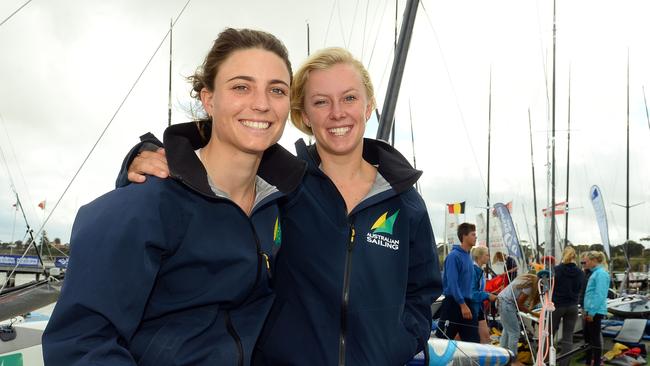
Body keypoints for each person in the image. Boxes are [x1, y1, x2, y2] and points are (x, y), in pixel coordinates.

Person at [121, 47, 441, 365]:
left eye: (349, 98)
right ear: (302, 115)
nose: (337, 112)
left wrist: (400, 342)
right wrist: (145, 154)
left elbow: (422, 291)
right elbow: (210, 166)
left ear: (369, 106)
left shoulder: (405, 202)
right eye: (320, 102)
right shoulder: (278, 186)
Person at [42, 28, 305, 366]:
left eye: (277, 90)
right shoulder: (144, 205)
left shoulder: (279, 203)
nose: (261, 103)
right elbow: (80, 343)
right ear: (209, 99)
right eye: (241, 86)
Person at [435, 223, 479, 342]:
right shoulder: (454, 256)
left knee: (473, 342)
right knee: (442, 342)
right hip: (454, 305)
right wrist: (462, 305)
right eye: (473, 234)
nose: (476, 237)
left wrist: (467, 304)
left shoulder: (469, 257)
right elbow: (452, 283)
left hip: (467, 304)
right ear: (464, 236)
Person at [551, 246, 584, 366]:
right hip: (573, 306)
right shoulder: (580, 272)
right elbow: (580, 289)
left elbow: (549, 286)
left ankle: (544, 360)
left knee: (549, 334)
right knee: (568, 337)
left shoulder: (556, 270)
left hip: (558, 305)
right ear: (575, 257)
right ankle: (564, 363)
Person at [497, 273, 540, 360]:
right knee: (514, 333)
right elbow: (519, 304)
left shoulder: (528, 279)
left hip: (501, 301)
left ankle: (502, 356)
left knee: (507, 330)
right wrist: (533, 313)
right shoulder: (530, 286)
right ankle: (513, 360)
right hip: (507, 304)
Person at [583, 251, 610, 366]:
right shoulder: (595, 273)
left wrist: (592, 312)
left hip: (595, 311)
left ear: (594, 261)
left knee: (594, 340)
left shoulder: (601, 274)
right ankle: (589, 362)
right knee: (589, 340)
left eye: (587, 261)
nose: (585, 263)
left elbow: (600, 294)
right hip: (590, 310)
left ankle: (596, 363)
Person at [470, 246, 497, 344]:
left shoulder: (479, 270)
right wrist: (487, 296)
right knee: (475, 339)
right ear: (479, 257)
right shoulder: (473, 270)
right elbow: (472, 293)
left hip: (478, 307)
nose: (489, 257)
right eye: (487, 255)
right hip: (471, 307)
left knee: (486, 338)